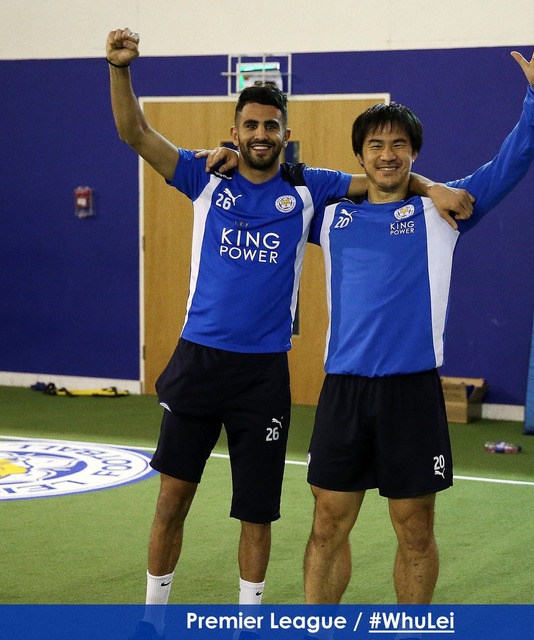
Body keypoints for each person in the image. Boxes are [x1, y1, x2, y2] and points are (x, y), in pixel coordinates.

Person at [106, 27, 473, 639]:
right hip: (199, 363)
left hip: (264, 375)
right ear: (234, 132)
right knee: (171, 499)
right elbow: (134, 133)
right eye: (250, 125)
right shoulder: (204, 177)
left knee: (256, 512)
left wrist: (433, 187)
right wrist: (120, 69)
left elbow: (384, 178)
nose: (260, 134)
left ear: (284, 133)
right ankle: (152, 619)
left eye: (271, 126)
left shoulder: (310, 187)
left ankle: (248, 622)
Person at [301, 27, 534, 604]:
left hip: (412, 393)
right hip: (344, 391)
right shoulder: (328, 215)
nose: (387, 154)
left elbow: (510, 164)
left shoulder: (445, 213)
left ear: (413, 151)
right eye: (375, 145)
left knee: (415, 530)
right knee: (326, 525)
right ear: (360, 156)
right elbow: (273, 177)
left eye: (399, 145)